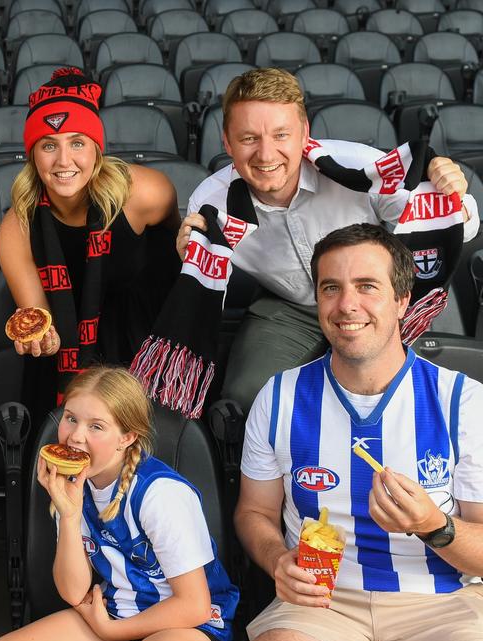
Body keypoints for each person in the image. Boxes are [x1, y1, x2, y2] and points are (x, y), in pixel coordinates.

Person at [234, 223, 483, 641]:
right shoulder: (278, 397)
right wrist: (277, 559)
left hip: (439, 605)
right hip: (323, 605)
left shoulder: (464, 401)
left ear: (401, 299)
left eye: (367, 286)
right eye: (331, 288)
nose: (347, 304)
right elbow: (253, 512)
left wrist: (437, 526)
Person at [179, 67, 479, 413]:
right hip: (290, 308)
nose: (265, 155)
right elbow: (203, 293)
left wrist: (451, 196)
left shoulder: (357, 165)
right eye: (248, 138)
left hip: (372, 298)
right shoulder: (212, 202)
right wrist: (186, 258)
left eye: (280, 135)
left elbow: (456, 226)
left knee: (415, 395)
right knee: (248, 396)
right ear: (226, 142)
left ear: (304, 133)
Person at [0, 366, 238, 641]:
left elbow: (194, 605)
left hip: (187, 623)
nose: (76, 436)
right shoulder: (72, 483)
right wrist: (68, 515)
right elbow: (72, 591)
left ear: (128, 437)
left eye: (96, 426)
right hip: (118, 614)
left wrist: (110, 628)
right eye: (70, 418)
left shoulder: (160, 495)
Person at [0, 67, 181, 416]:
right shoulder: (16, 228)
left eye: (77, 143)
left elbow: (175, 258)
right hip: (66, 361)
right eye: (49, 145)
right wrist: (39, 338)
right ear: (32, 154)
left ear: (97, 149)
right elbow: (39, 318)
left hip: (144, 343)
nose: (63, 161)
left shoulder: (146, 193)